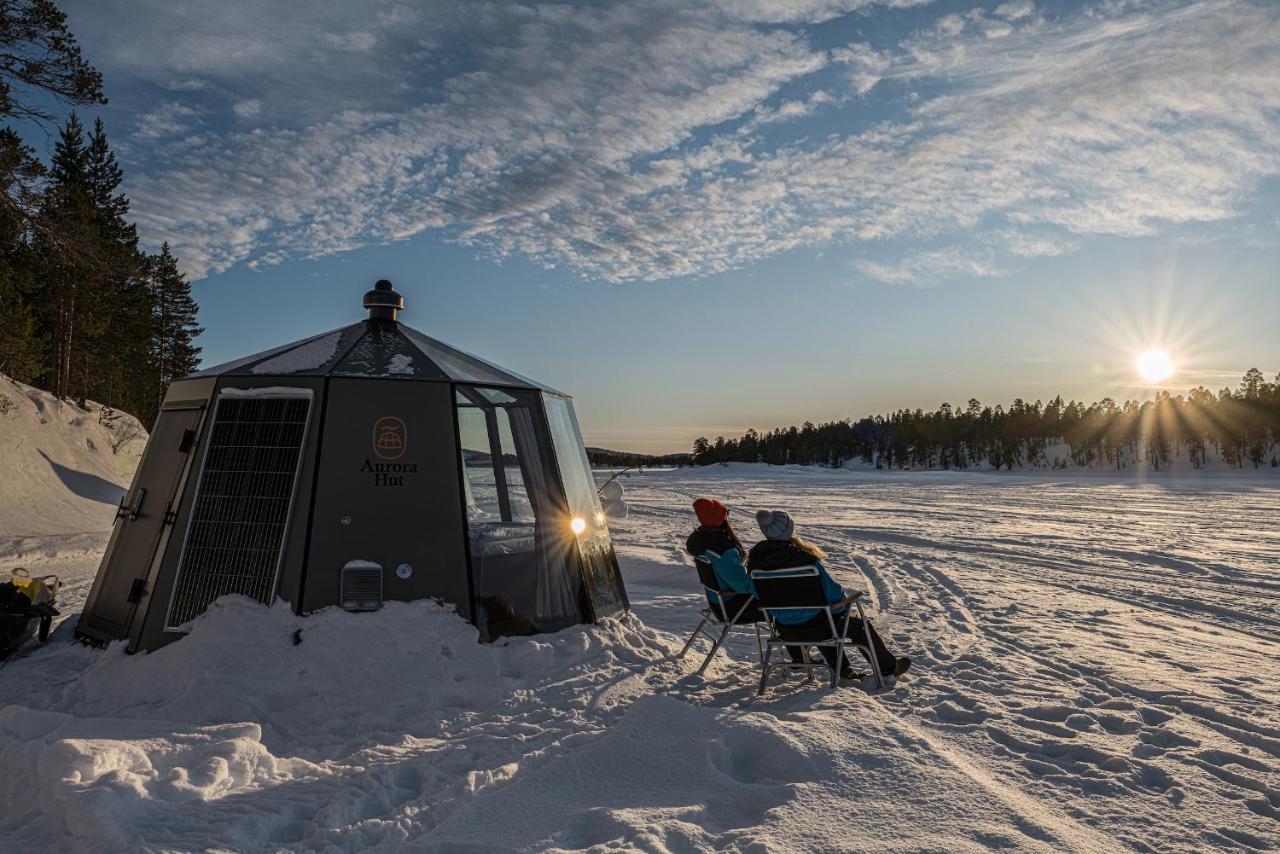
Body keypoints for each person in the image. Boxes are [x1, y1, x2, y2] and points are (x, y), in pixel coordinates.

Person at [747, 509, 911, 680]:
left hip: (786, 631)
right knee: (845, 622)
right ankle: (888, 668)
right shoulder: (805, 562)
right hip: (819, 629)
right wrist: (842, 603)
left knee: (822, 616)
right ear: (789, 530)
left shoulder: (755, 563)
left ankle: (843, 669)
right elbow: (833, 595)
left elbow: (754, 592)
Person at [684, 497, 760, 622]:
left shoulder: (701, 540)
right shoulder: (722, 550)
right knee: (781, 602)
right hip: (733, 607)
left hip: (717, 603)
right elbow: (742, 585)